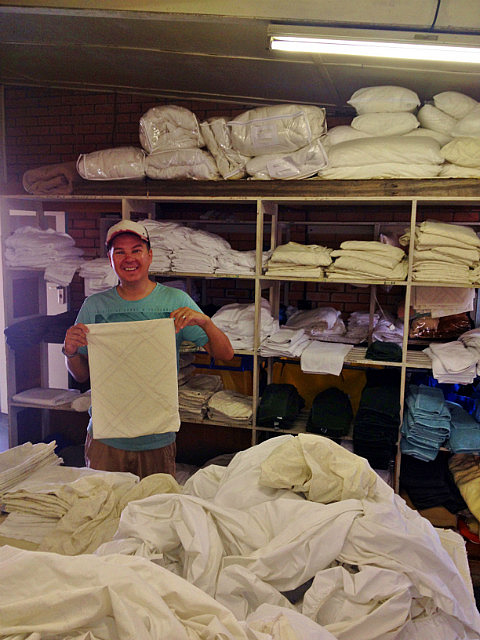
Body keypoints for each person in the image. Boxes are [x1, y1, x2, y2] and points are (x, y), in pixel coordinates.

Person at [63, 219, 234, 478]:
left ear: (150, 256)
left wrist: (206, 322)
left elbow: (225, 354)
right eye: (119, 252)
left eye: (136, 250)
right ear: (110, 259)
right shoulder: (95, 306)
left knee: (155, 502)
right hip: (106, 438)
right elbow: (81, 375)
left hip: (156, 437)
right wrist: (71, 351)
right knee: (104, 502)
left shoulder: (175, 301)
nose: (129, 258)